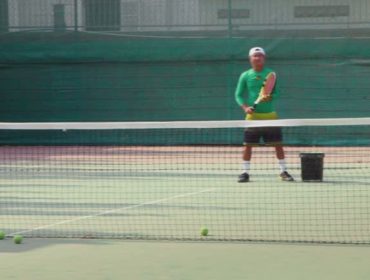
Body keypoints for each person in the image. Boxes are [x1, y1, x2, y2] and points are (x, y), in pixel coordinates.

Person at [235, 47, 294, 183]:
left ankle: (283, 171)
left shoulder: (270, 74)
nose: (258, 58)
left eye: (260, 55)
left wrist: (269, 97)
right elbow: (238, 95)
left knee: (278, 145)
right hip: (252, 118)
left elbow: (276, 92)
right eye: (255, 56)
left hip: (270, 116)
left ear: (264, 58)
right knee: (247, 146)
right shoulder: (245, 75)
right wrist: (245, 108)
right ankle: (245, 172)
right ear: (250, 59)